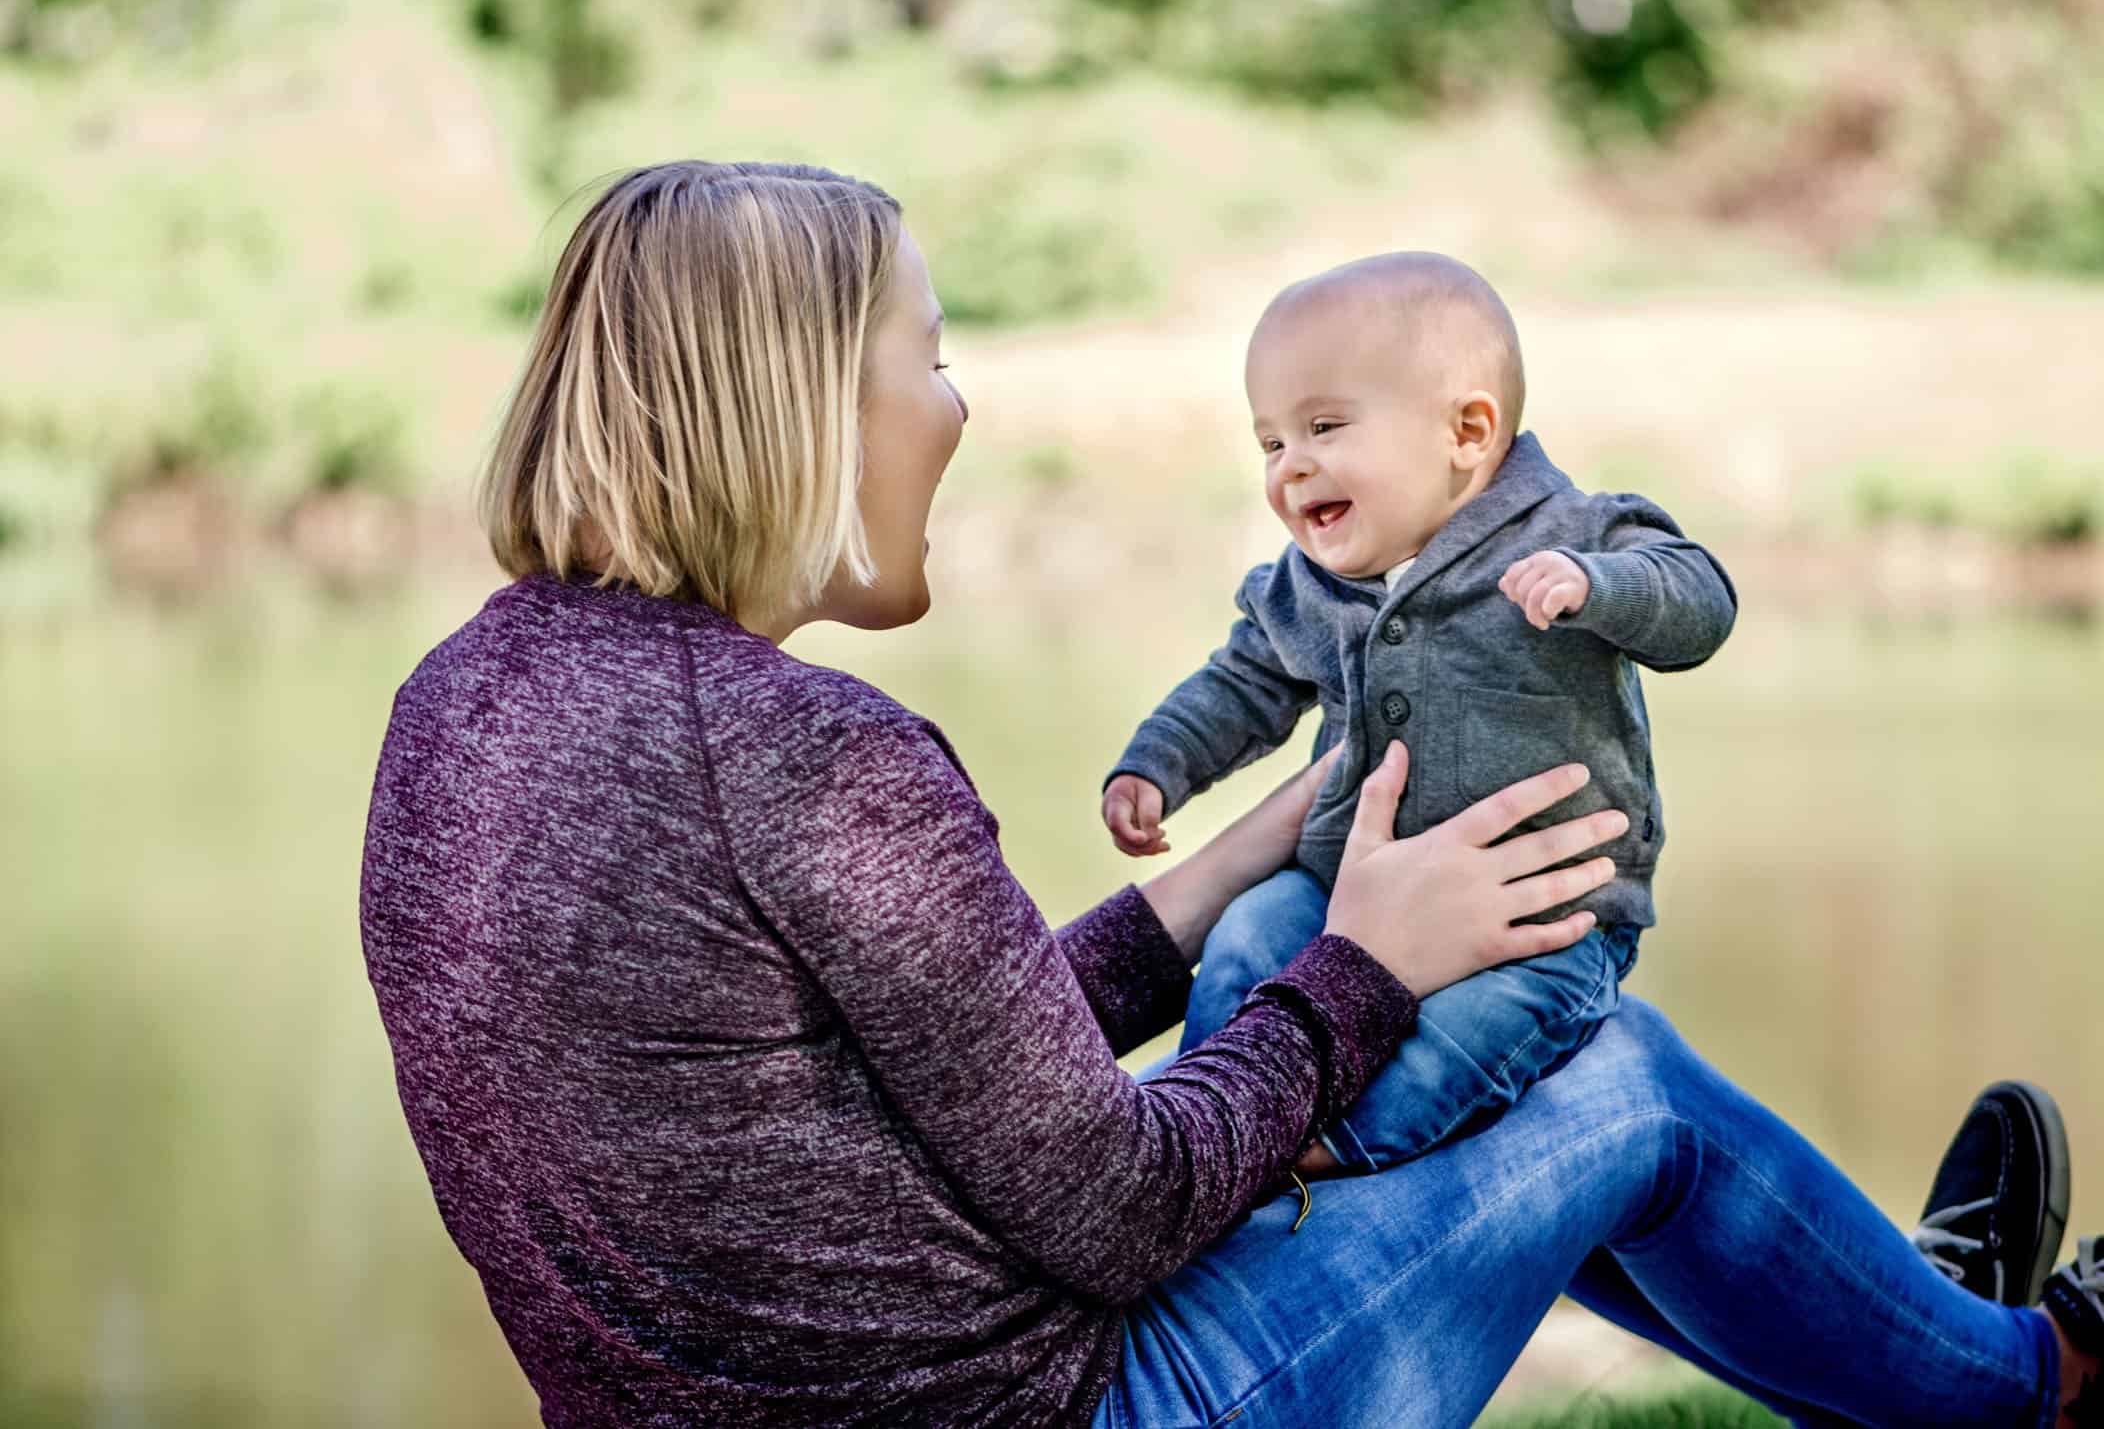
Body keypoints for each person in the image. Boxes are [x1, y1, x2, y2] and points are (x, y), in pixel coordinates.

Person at [359, 159, 2104, 1427]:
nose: (957, 406)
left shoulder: (454, 711)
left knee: (1504, 1090)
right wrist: (1359, 964)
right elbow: (1111, 1207)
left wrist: (1230, 866)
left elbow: (919, 1077)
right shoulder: (805, 752)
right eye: (929, 350)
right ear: (798, 398)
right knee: (1613, 1081)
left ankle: (1919, 1328)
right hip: (1065, 1410)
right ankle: (2028, 1382)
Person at [1101, 251, 1736, 1177]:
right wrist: (1156, 761)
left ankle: (1327, 1154)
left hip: (1542, 916)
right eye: (1271, 444)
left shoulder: (1575, 534)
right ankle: (1207, 1132)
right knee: (1244, 940)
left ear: (1468, 431)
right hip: (1338, 889)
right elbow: (1241, 681)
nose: (1291, 467)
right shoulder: (1311, 585)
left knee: (1472, 1032)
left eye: (1323, 426)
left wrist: (1598, 587)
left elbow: (1700, 599)